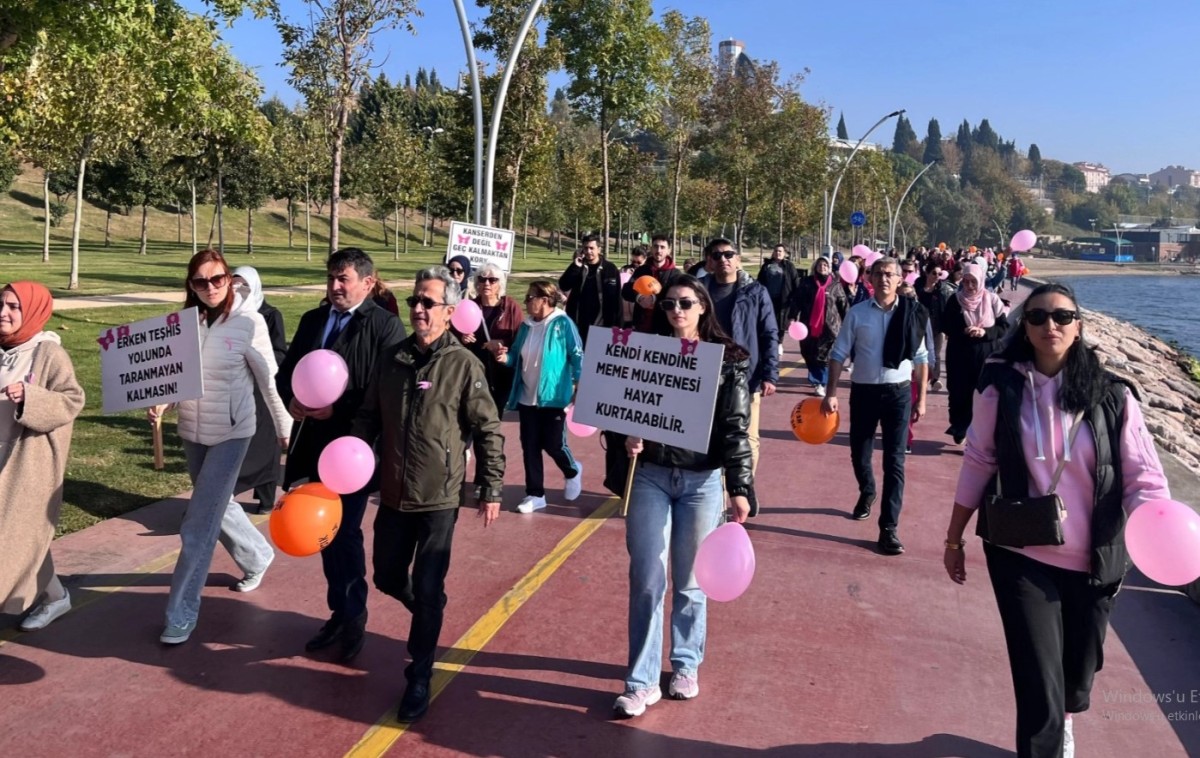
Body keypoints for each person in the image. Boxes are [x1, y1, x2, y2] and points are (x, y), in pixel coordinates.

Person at [943, 283, 1170, 758]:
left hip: (1094, 558)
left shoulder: (1112, 396)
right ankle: (1046, 741)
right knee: (1036, 675)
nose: (1051, 325)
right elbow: (979, 459)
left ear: (1079, 326)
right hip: (1019, 551)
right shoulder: (1000, 386)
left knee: (1077, 671)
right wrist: (954, 536)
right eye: (1039, 316)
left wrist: (1159, 525)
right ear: (1024, 328)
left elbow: (1143, 476)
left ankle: (1067, 713)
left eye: (1063, 317)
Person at [351, 265, 504, 722]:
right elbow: (367, 416)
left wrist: (490, 486)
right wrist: (355, 453)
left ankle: (419, 673)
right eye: (415, 300)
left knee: (431, 580)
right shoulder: (393, 359)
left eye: (428, 302)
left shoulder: (463, 365)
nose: (418, 308)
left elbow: (488, 429)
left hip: (439, 497)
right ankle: (429, 609)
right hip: (393, 495)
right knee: (386, 576)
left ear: (450, 311)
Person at [615, 274, 754, 718]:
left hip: (702, 481)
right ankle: (640, 682)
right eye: (671, 303)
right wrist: (626, 436)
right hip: (651, 477)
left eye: (686, 303)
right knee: (647, 578)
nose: (677, 310)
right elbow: (620, 405)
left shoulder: (727, 361)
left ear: (702, 309)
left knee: (691, 580)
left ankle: (685, 663)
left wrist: (740, 486)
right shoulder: (644, 351)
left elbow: (734, 426)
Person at [151, 250, 292, 645]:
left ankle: (181, 613)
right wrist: (163, 401)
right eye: (200, 282)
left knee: (197, 524)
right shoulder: (183, 324)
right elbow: (174, 377)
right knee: (216, 504)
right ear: (190, 286)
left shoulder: (251, 323)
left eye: (217, 279)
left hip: (234, 433)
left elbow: (269, 382)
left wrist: (286, 430)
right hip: (193, 432)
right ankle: (256, 556)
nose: (210, 288)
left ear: (229, 279)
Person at [276, 247, 405, 661]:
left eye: (343, 279)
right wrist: (292, 398)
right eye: (331, 277)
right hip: (312, 447)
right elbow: (289, 371)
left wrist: (339, 407)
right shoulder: (313, 320)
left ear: (367, 283)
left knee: (344, 533)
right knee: (324, 534)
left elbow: (386, 390)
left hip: (351, 451)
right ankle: (340, 610)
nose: (334, 287)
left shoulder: (385, 327)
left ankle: (353, 615)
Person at [822, 257, 929, 556]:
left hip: (899, 394)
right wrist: (831, 393)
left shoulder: (911, 313)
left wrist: (921, 399)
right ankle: (867, 490)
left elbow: (921, 357)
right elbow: (839, 352)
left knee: (895, 461)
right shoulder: (857, 314)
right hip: (864, 392)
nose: (884, 278)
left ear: (899, 280)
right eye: (879, 273)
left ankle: (889, 529)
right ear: (870, 278)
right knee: (860, 451)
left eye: (890, 274)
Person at [1, 282, 85, 632]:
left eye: (14, 307)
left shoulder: (48, 353)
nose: (3, 312)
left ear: (32, 311)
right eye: (0, 304)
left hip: (24, 466)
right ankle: (55, 597)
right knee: (26, 538)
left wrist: (30, 399)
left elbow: (72, 400)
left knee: (8, 542)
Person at [497, 280, 584, 513]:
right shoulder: (525, 326)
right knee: (530, 446)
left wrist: (580, 384)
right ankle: (535, 494)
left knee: (554, 444)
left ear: (544, 300)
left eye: (530, 297)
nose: (526, 302)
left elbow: (577, 355)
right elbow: (516, 355)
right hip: (527, 398)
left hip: (554, 397)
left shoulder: (563, 324)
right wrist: (505, 358)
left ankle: (572, 470)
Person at [701, 238, 778, 474]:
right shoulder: (698, 290)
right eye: (716, 255)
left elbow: (769, 333)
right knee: (707, 436)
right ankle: (715, 494)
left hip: (745, 374)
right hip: (705, 372)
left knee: (746, 437)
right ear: (709, 262)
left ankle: (745, 489)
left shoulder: (756, 291)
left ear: (738, 259)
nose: (723, 259)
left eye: (728, 254)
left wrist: (770, 374)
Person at [231, 267, 288, 515]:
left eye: (243, 286)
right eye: (233, 285)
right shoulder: (228, 315)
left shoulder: (270, 314)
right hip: (236, 388)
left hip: (262, 388)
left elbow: (279, 353)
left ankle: (266, 499)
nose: (237, 290)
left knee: (265, 444)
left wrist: (252, 357)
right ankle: (225, 498)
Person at [941, 262, 1009, 445]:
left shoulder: (992, 299)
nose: (969, 286)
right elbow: (945, 325)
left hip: (986, 353)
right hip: (959, 353)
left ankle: (978, 432)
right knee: (958, 392)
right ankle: (959, 426)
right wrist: (963, 329)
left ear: (980, 281)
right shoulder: (955, 300)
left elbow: (1003, 327)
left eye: (973, 282)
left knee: (983, 393)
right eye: (966, 281)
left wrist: (984, 332)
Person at [459, 262, 523, 411]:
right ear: (477, 284)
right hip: (475, 368)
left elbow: (521, 337)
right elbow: (455, 338)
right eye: (482, 279)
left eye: (492, 280)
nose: (486, 283)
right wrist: (463, 338)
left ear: (499, 284)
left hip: (502, 370)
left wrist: (502, 341)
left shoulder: (510, 307)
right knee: (473, 410)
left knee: (496, 410)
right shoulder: (470, 307)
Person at [791, 256, 848, 398]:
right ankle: (817, 378)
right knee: (808, 353)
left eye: (825, 265)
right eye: (820, 264)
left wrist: (848, 322)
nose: (822, 267)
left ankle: (819, 383)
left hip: (830, 327)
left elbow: (843, 305)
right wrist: (792, 317)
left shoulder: (835, 285)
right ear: (815, 267)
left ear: (829, 268)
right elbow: (797, 300)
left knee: (824, 356)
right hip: (808, 326)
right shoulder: (806, 283)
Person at [558, 233, 621, 346]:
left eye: (592, 248)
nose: (588, 251)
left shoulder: (610, 269)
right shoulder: (578, 266)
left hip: (601, 323)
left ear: (599, 249)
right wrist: (575, 267)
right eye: (586, 248)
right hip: (578, 321)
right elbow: (564, 285)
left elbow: (617, 298)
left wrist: (616, 325)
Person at [622, 234, 681, 334]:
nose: (658, 251)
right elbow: (626, 291)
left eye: (662, 247)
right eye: (655, 246)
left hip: (664, 328)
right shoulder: (641, 270)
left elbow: (676, 297)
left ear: (669, 250)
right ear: (651, 248)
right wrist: (639, 297)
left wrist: (654, 298)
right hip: (640, 326)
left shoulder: (675, 274)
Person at [916, 259, 956, 391]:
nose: (936, 277)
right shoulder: (918, 288)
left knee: (936, 353)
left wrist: (947, 329)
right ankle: (919, 377)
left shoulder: (942, 290)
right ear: (927, 273)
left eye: (939, 274)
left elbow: (946, 309)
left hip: (936, 326)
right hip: (919, 325)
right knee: (920, 352)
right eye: (933, 273)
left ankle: (935, 379)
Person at [757, 243, 800, 356]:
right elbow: (760, 281)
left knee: (781, 323)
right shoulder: (766, 266)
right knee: (767, 321)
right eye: (776, 251)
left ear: (784, 253)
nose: (778, 253)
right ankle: (769, 343)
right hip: (768, 299)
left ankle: (779, 343)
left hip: (783, 300)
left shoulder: (789, 266)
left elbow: (795, 282)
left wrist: (795, 297)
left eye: (780, 251)